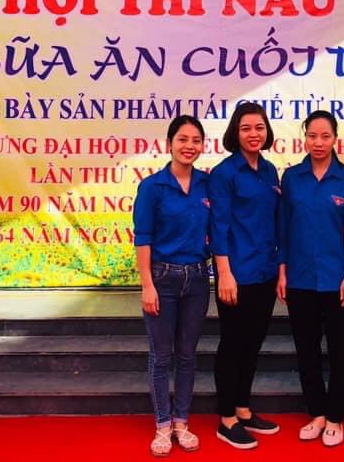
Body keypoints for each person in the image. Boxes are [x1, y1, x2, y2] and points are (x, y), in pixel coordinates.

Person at [277, 110, 344, 447]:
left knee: (342, 353)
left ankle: (336, 417)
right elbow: (283, 228)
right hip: (300, 280)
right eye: (312, 136)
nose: (318, 142)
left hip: (338, 280)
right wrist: (282, 270)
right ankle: (316, 413)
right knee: (307, 351)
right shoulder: (291, 177)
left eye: (325, 136)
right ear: (305, 138)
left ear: (335, 139)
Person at [134, 115, 212, 457]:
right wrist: (147, 285)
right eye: (183, 139)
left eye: (196, 140)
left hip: (197, 280)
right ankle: (162, 425)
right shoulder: (152, 187)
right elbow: (143, 238)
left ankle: (182, 421)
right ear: (169, 144)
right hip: (162, 280)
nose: (189, 146)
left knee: (187, 355)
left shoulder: (207, 184)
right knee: (161, 356)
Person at [209, 102, 282, 449]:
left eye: (259, 127)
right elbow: (218, 225)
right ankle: (226, 419)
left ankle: (243, 408)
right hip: (236, 274)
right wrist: (223, 272)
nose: (254, 134)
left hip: (265, 272)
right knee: (232, 345)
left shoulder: (269, 171)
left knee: (252, 344)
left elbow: (275, 221)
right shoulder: (224, 173)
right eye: (246, 128)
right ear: (235, 133)